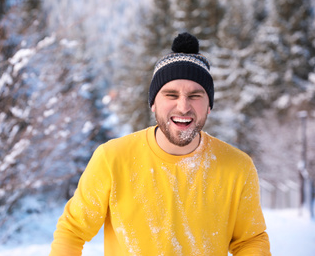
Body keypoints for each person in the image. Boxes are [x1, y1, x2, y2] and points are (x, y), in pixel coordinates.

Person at [49, 32, 271, 256]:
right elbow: (72, 231)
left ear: (209, 106)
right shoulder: (112, 158)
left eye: (195, 95)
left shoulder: (238, 167)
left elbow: (250, 241)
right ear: (153, 104)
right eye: (171, 95)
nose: (183, 107)